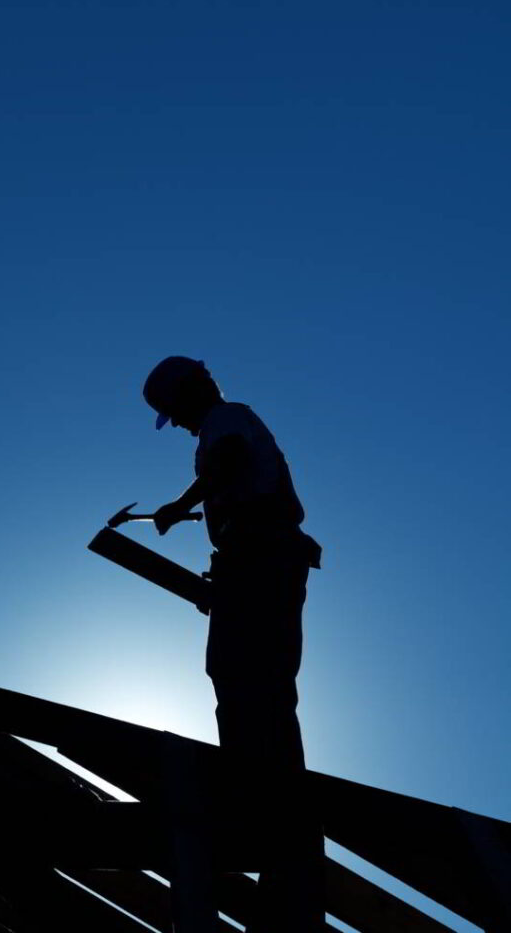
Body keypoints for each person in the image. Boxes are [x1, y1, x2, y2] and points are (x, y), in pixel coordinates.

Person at [143, 355, 324, 932]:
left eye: (176, 414)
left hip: (264, 562)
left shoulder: (226, 419)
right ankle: (257, 780)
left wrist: (180, 505)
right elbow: (240, 484)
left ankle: (266, 790)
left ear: (192, 395)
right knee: (238, 675)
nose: (183, 427)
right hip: (254, 564)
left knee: (252, 678)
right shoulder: (229, 425)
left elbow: (226, 462)